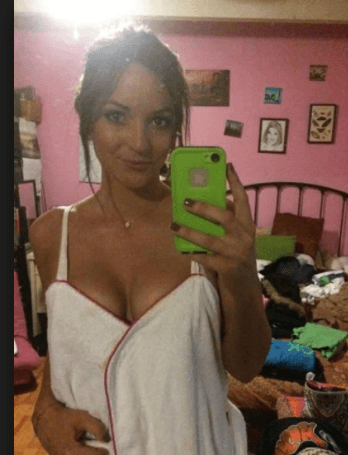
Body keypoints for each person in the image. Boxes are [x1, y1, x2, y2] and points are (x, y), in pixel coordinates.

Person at [29, 24, 271, 455]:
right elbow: (65, 354)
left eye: (159, 120)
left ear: (176, 128)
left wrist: (242, 275)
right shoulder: (51, 235)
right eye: (116, 115)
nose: (139, 143)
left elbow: (247, 366)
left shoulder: (206, 229)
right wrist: (43, 412)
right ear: (88, 118)